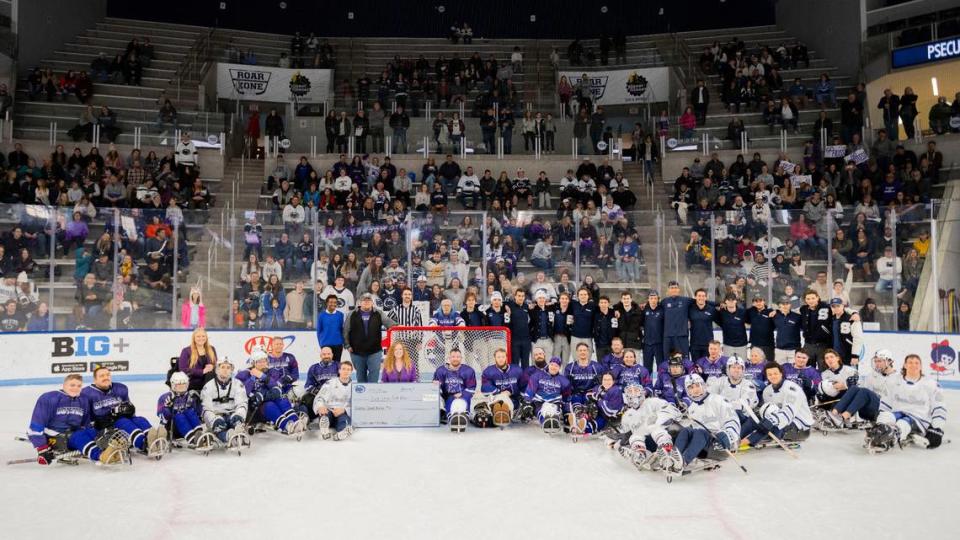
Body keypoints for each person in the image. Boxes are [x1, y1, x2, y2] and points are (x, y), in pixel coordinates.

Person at [28, 374, 124, 465]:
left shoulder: (82, 400)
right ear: (64, 385)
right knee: (79, 436)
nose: (75, 388)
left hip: (73, 433)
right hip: (55, 436)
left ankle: (111, 450)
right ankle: (101, 456)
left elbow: (86, 423)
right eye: (72, 385)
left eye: (79, 386)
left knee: (97, 433)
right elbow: (37, 424)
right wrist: (42, 448)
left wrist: (97, 433)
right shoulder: (49, 398)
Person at [661, 374, 740, 476]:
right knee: (686, 430)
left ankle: (682, 462)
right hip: (703, 447)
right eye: (691, 387)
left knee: (700, 432)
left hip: (720, 445)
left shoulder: (718, 400)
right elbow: (694, 428)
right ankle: (673, 458)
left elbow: (733, 419)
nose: (695, 390)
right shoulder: (692, 408)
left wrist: (728, 435)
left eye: (698, 385)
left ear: (704, 385)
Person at [83, 366, 167, 457]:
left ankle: (153, 439)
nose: (105, 377)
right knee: (123, 422)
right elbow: (87, 417)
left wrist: (129, 409)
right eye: (102, 376)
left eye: (107, 375)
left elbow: (130, 408)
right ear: (95, 380)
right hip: (104, 425)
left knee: (139, 419)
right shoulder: (87, 393)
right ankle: (144, 444)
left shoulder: (120, 388)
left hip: (121, 419)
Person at [868, 353, 945, 452]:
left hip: (919, 418)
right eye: (910, 362)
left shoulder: (931, 384)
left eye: (917, 363)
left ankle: (891, 437)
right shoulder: (894, 381)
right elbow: (886, 401)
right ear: (904, 365)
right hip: (898, 412)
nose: (913, 365)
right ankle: (877, 433)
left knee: (903, 422)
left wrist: (937, 428)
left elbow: (939, 407)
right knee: (886, 415)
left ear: (921, 366)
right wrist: (881, 413)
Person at [605, 384, 681, 470]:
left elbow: (674, 411)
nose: (633, 393)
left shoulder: (654, 402)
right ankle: (640, 454)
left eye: (636, 390)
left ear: (642, 392)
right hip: (649, 442)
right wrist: (613, 442)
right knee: (634, 436)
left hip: (667, 433)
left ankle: (666, 448)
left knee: (653, 427)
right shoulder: (627, 416)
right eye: (630, 391)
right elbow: (624, 433)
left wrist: (657, 417)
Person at [740, 362, 813, 448]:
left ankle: (745, 442)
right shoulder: (767, 391)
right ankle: (736, 437)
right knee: (755, 418)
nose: (773, 376)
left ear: (781, 373)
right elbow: (768, 411)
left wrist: (771, 420)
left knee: (771, 425)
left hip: (799, 426)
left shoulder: (792, 389)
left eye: (775, 373)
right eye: (769, 374)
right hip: (779, 419)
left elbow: (789, 412)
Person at [241, 348, 306, 436]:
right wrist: (253, 379)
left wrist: (263, 377)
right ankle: (287, 426)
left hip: (266, 401)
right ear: (254, 363)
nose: (262, 364)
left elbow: (276, 389)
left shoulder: (269, 373)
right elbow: (246, 392)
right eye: (259, 362)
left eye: (264, 361)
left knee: (282, 398)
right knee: (270, 405)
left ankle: (295, 421)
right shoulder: (245, 373)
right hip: (255, 409)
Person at [826, 349, 895, 429]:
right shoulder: (873, 375)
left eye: (880, 361)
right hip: (866, 411)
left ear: (889, 361)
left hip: (884, 412)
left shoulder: (898, 378)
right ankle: (833, 414)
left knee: (864, 392)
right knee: (854, 388)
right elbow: (861, 386)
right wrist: (849, 383)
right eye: (875, 361)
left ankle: (843, 417)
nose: (877, 364)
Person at [158, 371, 215, 451]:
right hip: (172, 428)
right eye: (179, 385)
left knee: (190, 412)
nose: (181, 388)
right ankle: (193, 440)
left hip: (187, 426)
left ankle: (199, 435)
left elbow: (198, 413)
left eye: (183, 385)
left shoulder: (190, 396)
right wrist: (167, 409)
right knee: (179, 415)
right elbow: (161, 417)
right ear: (173, 385)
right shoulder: (165, 398)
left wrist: (198, 402)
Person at [345, 293, 395, 383]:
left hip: (374, 351)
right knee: (361, 378)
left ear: (372, 302)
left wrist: (399, 326)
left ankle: (372, 396)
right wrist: (347, 345)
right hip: (357, 352)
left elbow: (390, 324)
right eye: (364, 300)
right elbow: (345, 331)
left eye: (369, 300)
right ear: (360, 302)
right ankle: (362, 397)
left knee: (374, 378)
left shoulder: (378, 313)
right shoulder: (352, 314)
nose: (367, 302)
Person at [200, 358, 250, 448]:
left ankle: (237, 430)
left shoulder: (238, 384)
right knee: (219, 427)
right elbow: (206, 408)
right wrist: (213, 420)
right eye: (222, 367)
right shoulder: (208, 386)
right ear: (217, 369)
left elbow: (242, 403)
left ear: (232, 370)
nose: (225, 370)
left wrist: (238, 416)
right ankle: (229, 436)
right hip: (216, 416)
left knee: (236, 421)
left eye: (228, 367)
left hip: (232, 415)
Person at [521, 356, 572, 434]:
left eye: (556, 366)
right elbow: (530, 390)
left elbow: (566, 398)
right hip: (539, 401)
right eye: (552, 364)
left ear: (559, 368)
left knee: (555, 411)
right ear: (548, 365)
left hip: (554, 402)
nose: (553, 367)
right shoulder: (537, 375)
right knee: (541, 412)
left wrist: (566, 413)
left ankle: (555, 421)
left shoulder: (564, 381)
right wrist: (527, 402)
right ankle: (545, 422)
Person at [475, 348, 523, 427]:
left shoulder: (516, 369)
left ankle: (500, 414)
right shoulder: (489, 371)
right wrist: (499, 392)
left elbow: (523, 385)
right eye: (498, 357)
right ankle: (501, 414)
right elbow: (485, 387)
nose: (501, 359)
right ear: (495, 358)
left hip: (513, 399)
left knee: (508, 403)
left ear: (506, 357)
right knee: (500, 400)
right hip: (496, 397)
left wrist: (511, 392)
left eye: (503, 357)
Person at [707, 355, 759, 429]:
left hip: (740, 419)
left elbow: (745, 405)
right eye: (733, 367)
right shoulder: (720, 381)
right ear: (728, 369)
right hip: (721, 416)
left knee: (736, 412)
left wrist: (722, 405)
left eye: (739, 368)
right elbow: (710, 397)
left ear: (743, 370)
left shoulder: (748, 385)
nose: (736, 370)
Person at [433, 348, 477, 432]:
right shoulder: (441, 370)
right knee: (449, 403)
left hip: (463, 396)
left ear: (461, 358)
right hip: (448, 396)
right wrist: (436, 386)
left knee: (463, 403)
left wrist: (462, 394)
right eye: (453, 356)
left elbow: (471, 387)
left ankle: (464, 416)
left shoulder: (468, 370)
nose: (455, 358)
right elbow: (438, 388)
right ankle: (453, 418)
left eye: (457, 357)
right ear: (449, 358)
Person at [313, 360, 356, 441]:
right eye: (343, 369)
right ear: (339, 370)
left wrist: (345, 410)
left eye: (348, 369)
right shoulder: (330, 383)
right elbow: (320, 397)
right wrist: (320, 406)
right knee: (325, 415)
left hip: (342, 412)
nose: (345, 371)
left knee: (344, 420)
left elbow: (356, 405)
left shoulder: (355, 387)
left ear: (351, 372)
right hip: (329, 410)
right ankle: (324, 428)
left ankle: (342, 432)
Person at [177, 327, 217, 392]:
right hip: (193, 380)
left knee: (212, 375)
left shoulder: (211, 349)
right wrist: (202, 371)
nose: (201, 338)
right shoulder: (186, 351)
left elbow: (216, 365)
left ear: (206, 338)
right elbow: (183, 370)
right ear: (194, 338)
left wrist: (213, 366)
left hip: (209, 379)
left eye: (203, 336)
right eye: (198, 336)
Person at [316, 294, 346, 361]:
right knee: (326, 365)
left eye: (335, 302)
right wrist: (321, 344)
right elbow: (319, 331)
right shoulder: (321, 315)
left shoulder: (340, 315)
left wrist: (343, 342)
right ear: (327, 303)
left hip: (338, 344)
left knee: (337, 365)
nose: (333, 304)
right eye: (331, 302)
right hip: (325, 344)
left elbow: (341, 329)